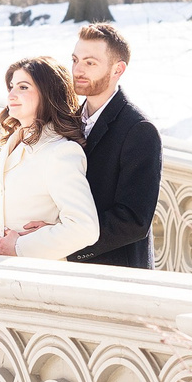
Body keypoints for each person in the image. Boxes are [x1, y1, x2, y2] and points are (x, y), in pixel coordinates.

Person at [0, 56, 99, 259]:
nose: (12, 95)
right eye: (11, 87)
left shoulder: (60, 152)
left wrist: (19, 247)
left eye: (23, 87)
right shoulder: (10, 146)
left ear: (47, 93)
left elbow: (84, 228)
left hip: (34, 278)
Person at [64, 21, 163, 270]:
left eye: (90, 63)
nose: (78, 70)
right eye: (75, 60)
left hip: (116, 274)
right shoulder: (66, 122)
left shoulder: (140, 130)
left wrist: (64, 245)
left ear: (118, 69)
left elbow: (132, 221)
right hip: (63, 271)